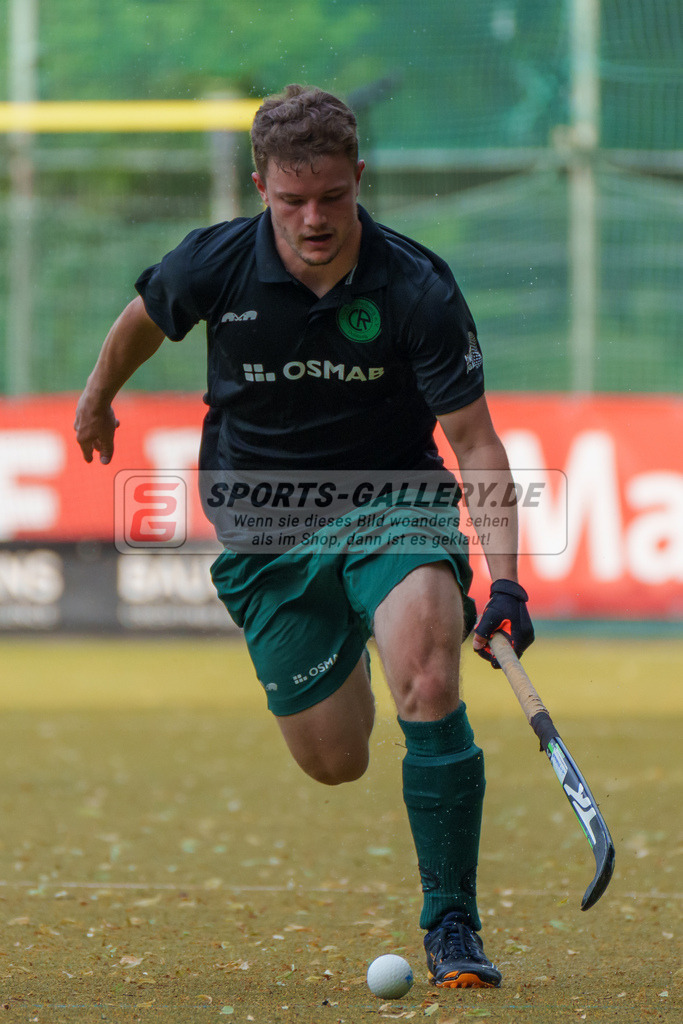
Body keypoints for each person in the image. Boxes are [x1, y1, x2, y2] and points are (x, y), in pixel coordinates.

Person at [74, 84, 534, 989]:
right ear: (260, 188)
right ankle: (362, 641)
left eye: (331, 196)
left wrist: (507, 582)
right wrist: (97, 396)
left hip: (392, 504)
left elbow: (475, 444)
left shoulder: (416, 287)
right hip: (263, 524)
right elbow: (142, 321)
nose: (314, 219)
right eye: (292, 200)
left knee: (430, 677)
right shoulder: (214, 261)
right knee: (335, 761)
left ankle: (452, 925)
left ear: (358, 177)